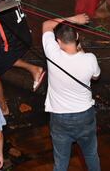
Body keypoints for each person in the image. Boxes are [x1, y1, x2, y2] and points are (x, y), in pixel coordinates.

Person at [41, 13, 101, 171]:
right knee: (91, 154)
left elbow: (47, 24)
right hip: (85, 115)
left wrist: (73, 19)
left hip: (60, 117)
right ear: (78, 37)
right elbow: (96, 77)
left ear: (58, 42)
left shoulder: (52, 54)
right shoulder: (90, 58)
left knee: (61, 161)